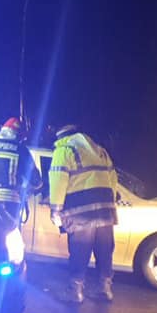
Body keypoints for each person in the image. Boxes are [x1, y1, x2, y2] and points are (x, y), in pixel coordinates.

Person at [48, 124, 119, 303]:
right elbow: (113, 180)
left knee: (80, 250)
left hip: (80, 212)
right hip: (105, 211)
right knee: (105, 250)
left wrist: (56, 210)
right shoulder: (100, 152)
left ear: (61, 137)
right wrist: (110, 204)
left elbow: (58, 181)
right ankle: (105, 289)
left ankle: (75, 291)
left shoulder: (64, 150)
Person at [0, 117, 42, 221]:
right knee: (9, 228)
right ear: (18, 134)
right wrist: (36, 186)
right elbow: (35, 179)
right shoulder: (21, 149)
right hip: (10, 200)